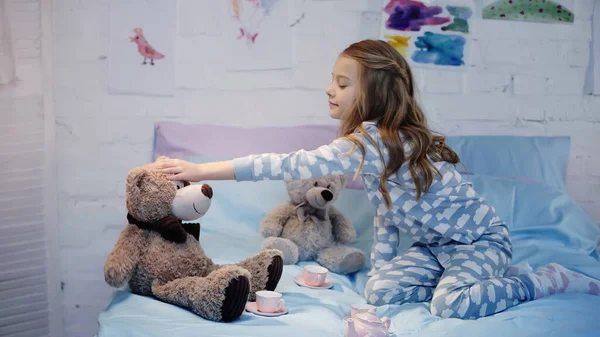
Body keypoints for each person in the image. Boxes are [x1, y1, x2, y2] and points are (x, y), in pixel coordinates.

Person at [151, 39, 600, 319]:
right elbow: (389, 216)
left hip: (478, 243)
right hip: (434, 250)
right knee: (381, 290)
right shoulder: (368, 146)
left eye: (343, 83)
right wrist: (380, 274)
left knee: (451, 306)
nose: (330, 89)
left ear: (375, 92)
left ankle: (541, 279)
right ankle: (463, 280)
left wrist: (202, 170)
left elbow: (286, 164)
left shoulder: (379, 142)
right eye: (332, 80)